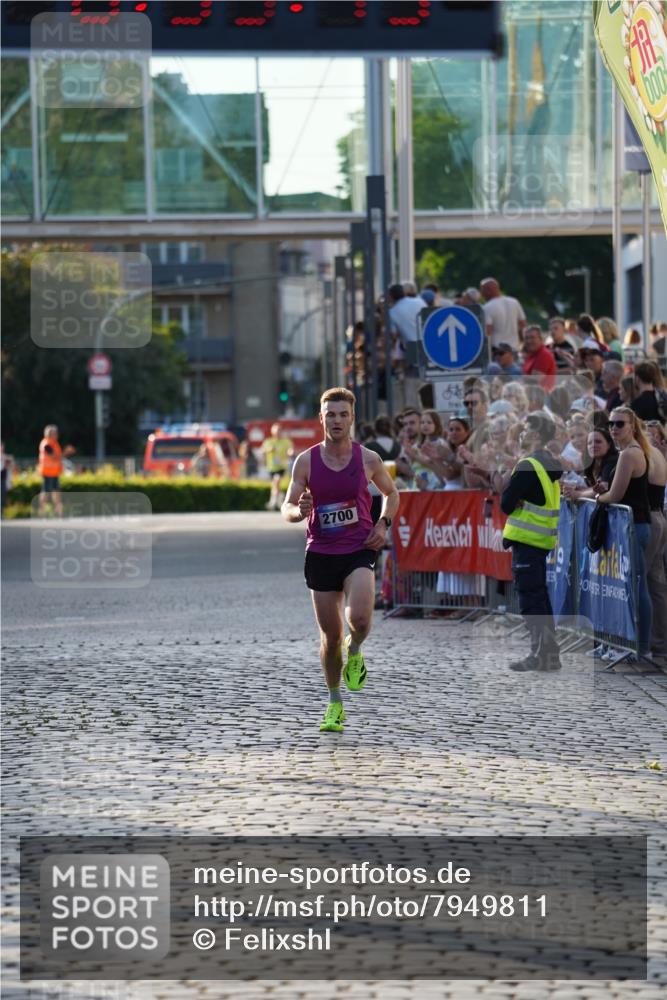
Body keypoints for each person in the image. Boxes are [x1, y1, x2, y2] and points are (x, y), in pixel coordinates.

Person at [281, 387, 399, 733]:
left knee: (359, 620)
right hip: (320, 552)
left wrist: (383, 522)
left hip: (358, 548)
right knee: (330, 639)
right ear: (321, 419)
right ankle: (334, 702)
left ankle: (357, 648)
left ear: (352, 419)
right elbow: (287, 507)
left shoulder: (368, 459)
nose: (336, 420)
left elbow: (392, 494)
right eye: (330, 414)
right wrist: (297, 510)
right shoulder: (306, 461)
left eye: (342, 414)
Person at [497, 412, 563, 672]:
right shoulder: (548, 462)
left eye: (525, 429)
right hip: (540, 541)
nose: (521, 433)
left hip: (527, 541)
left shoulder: (528, 465)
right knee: (539, 598)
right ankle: (550, 653)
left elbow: (505, 504)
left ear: (535, 434)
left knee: (531, 600)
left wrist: (514, 498)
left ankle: (540, 654)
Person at [595, 407, 653, 660]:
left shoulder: (629, 454)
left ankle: (641, 648)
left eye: (619, 424)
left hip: (635, 526)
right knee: (624, 587)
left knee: (636, 587)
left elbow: (616, 496)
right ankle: (628, 645)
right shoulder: (626, 453)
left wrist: (598, 497)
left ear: (632, 427)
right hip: (631, 526)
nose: (613, 428)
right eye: (610, 423)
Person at [646, 441, 667, 664]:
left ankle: (650, 643)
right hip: (657, 518)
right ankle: (657, 643)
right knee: (655, 582)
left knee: (648, 582)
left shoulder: (645, 456)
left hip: (651, 519)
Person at [560, 425, 618, 501]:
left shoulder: (612, 461)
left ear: (609, 445)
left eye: (598, 442)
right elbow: (594, 489)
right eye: (589, 443)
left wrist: (577, 494)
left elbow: (603, 489)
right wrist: (579, 490)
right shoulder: (591, 463)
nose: (593, 445)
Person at [479, 277, 526, 350]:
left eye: (482, 290)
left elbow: (488, 332)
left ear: (488, 291)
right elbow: (523, 324)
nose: (481, 294)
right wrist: (524, 343)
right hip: (514, 348)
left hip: (497, 351)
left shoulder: (487, 308)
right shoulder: (514, 302)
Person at [38, 425, 75, 516]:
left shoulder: (54, 443)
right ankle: (41, 511)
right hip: (47, 472)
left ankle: (58, 511)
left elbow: (58, 457)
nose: (57, 435)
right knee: (46, 492)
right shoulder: (46, 444)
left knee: (57, 492)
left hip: (54, 472)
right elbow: (55, 457)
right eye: (55, 433)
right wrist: (66, 452)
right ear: (49, 434)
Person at [262, 422, 294, 511]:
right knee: (275, 485)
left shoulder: (286, 442)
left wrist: (290, 453)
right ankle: (280, 499)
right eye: (276, 431)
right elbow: (263, 451)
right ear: (272, 432)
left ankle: (272, 502)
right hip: (271, 467)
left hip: (282, 466)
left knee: (277, 480)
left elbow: (290, 450)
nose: (278, 432)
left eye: (279, 430)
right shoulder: (268, 441)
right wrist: (269, 450)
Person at [521, 326, 557, 391]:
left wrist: (516, 379)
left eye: (532, 337)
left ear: (541, 339)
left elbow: (534, 380)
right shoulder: (531, 354)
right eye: (526, 338)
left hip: (542, 397)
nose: (529, 341)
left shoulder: (543, 354)